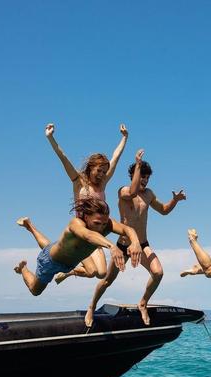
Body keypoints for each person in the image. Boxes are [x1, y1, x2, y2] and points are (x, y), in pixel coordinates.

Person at [84, 151, 186, 327]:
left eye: (147, 178)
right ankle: (91, 306)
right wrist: (137, 164)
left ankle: (143, 303)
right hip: (123, 245)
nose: (144, 181)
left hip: (143, 244)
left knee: (158, 273)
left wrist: (175, 200)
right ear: (134, 176)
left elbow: (163, 210)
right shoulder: (123, 191)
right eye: (141, 176)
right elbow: (132, 191)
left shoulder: (149, 195)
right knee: (107, 280)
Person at [44, 122, 129, 283]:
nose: (101, 175)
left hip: (97, 233)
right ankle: (65, 264)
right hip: (81, 233)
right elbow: (63, 157)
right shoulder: (78, 182)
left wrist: (124, 138)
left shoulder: (102, 183)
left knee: (101, 273)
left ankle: (69, 272)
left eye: (104, 172)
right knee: (92, 271)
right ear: (90, 168)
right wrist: (50, 138)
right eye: (99, 171)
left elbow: (115, 158)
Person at [14, 196, 142, 298]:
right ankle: (23, 268)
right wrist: (112, 246)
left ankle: (29, 226)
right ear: (86, 217)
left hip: (70, 259)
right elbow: (88, 235)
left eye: (103, 223)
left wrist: (135, 242)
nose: (101, 227)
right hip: (51, 262)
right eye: (97, 223)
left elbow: (127, 229)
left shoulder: (106, 223)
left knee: (52, 247)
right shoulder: (76, 224)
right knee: (35, 290)